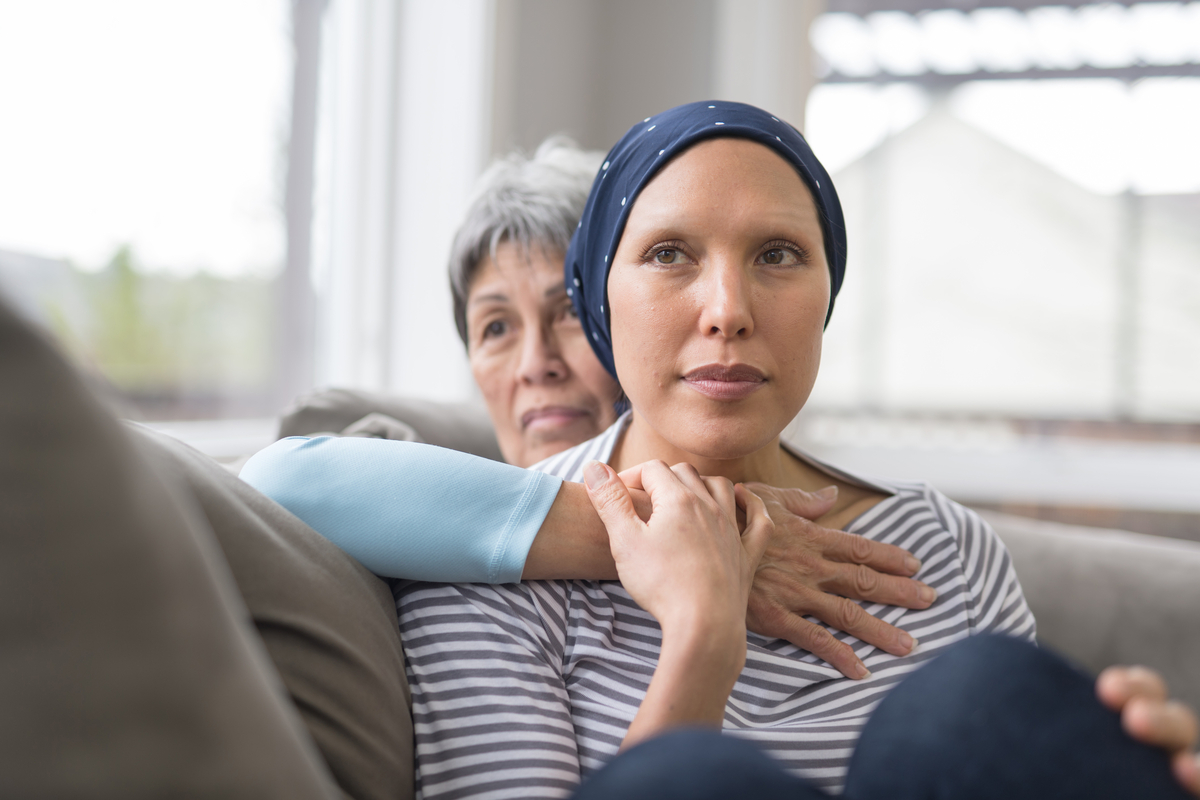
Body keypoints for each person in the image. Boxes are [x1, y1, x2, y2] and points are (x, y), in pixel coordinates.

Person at [247, 102, 1200, 799]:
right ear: (605, 301)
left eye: (779, 255)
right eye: (669, 255)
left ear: (826, 301)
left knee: (988, 703)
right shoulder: (483, 561)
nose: (729, 310)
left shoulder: (943, 547)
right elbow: (284, 476)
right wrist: (704, 632)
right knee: (686, 781)